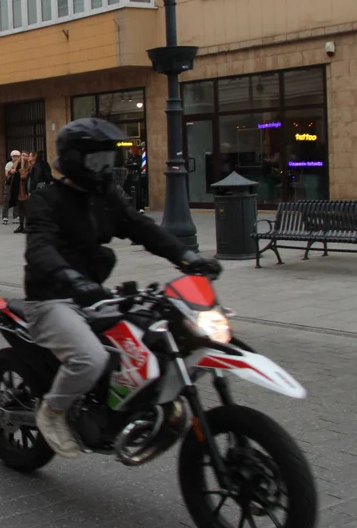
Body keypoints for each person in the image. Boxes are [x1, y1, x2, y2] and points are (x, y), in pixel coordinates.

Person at [24, 118, 222, 458]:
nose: (105, 168)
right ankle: (53, 412)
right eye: (96, 160)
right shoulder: (45, 200)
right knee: (90, 358)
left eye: (108, 160)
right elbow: (39, 247)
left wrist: (188, 257)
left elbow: (142, 228)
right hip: (52, 299)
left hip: (94, 295)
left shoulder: (106, 198)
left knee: (156, 336)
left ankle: (122, 407)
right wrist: (69, 277)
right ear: (75, 160)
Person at [14, 153, 32, 233]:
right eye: (22, 155)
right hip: (19, 191)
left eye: (25, 155)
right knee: (20, 210)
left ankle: (28, 226)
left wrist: (21, 166)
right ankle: (21, 226)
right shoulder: (18, 164)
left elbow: (23, 176)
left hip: (25, 191)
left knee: (26, 209)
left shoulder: (29, 166)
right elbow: (12, 171)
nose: (23, 157)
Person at [3, 150, 21, 225]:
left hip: (17, 184)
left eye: (17, 157)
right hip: (9, 184)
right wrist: (11, 171)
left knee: (16, 200)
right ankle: (5, 217)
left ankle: (15, 217)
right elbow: (6, 174)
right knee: (6, 200)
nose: (15, 158)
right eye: (14, 156)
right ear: (11, 157)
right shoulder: (9, 164)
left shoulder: (20, 164)